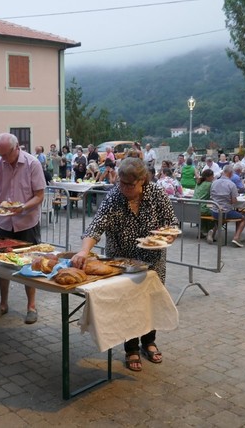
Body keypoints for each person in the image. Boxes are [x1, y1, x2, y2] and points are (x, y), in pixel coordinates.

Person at [71, 157, 178, 372]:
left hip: (153, 260)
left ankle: (149, 341)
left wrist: (168, 237)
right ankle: (131, 348)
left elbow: (172, 223)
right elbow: (96, 227)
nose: (125, 188)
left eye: (130, 184)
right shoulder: (114, 197)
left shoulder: (156, 194)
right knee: (129, 304)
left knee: (150, 301)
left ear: (142, 181)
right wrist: (84, 250)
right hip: (122, 261)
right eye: (121, 183)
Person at [0, 133, 46, 324]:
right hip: (4, 222)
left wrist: (22, 207)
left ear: (17, 148)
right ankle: (3, 303)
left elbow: (40, 195)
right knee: (1, 264)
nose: (3, 159)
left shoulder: (33, 164)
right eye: (0, 155)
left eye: (6, 154)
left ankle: (31, 306)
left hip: (27, 221)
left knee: (29, 264)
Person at [209, 164, 245, 247]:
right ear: (230, 173)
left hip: (214, 211)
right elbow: (234, 201)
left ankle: (212, 231)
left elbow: (211, 197)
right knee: (243, 218)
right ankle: (236, 237)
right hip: (226, 211)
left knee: (220, 218)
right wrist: (229, 200)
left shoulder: (214, 183)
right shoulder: (231, 184)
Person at [193, 168, 216, 237]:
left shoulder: (198, 183)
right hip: (202, 208)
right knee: (218, 213)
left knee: (205, 211)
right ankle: (211, 231)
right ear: (208, 177)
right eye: (212, 176)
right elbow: (214, 195)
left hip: (193, 207)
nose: (213, 177)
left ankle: (203, 231)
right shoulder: (210, 184)